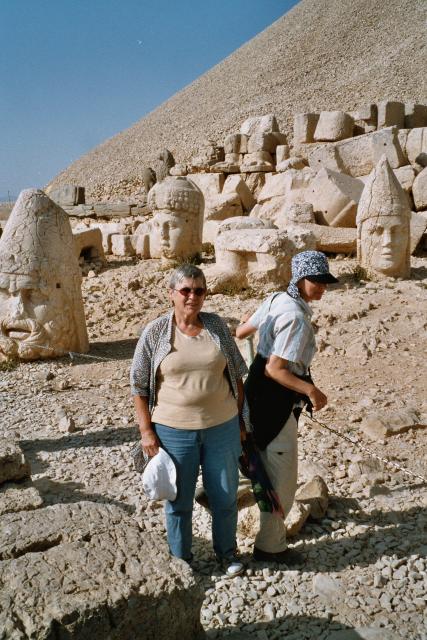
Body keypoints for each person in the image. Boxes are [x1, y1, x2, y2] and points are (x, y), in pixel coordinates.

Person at [130, 264, 248, 577]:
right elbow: (139, 386)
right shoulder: (156, 332)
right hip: (174, 431)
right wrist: (146, 432)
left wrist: (241, 421)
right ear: (171, 294)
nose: (192, 297)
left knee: (224, 496)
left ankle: (227, 554)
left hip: (221, 426)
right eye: (185, 290)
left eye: (199, 290)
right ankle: (182, 561)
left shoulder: (216, 326)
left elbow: (236, 373)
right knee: (179, 500)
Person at [236, 250, 338, 564]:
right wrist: (311, 390)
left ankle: (225, 496)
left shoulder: (277, 299)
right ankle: (270, 548)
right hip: (275, 403)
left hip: (253, 393)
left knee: (259, 459)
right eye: (315, 280)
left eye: (324, 281)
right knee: (281, 480)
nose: (322, 286)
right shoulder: (296, 318)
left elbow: (241, 331)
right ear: (299, 278)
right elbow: (276, 370)